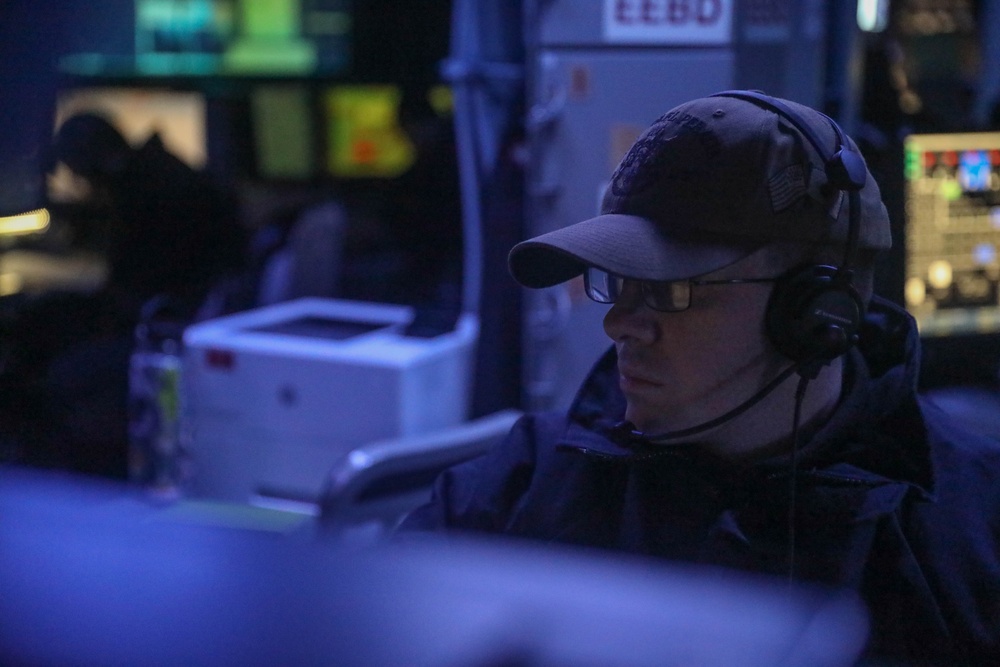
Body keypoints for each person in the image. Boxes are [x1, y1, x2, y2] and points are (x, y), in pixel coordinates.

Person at [399, 90, 1000, 664]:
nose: (619, 326)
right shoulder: (517, 487)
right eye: (617, 282)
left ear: (817, 311)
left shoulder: (969, 532)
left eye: (667, 290)